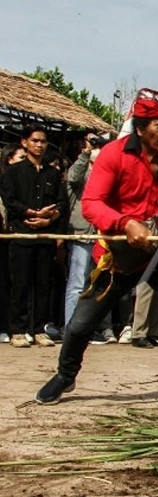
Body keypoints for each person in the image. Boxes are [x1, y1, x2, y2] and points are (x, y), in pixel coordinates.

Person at [34, 88, 158, 424]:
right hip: (119, 253)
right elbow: (92, 203)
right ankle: (66, 374)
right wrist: (124, 222)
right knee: (81, 324)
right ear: (140, 127)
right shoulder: (113, 154)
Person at [0, 125, 67, 348]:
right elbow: (10, 200)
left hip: (45, 235)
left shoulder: (53, 173)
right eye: (35, 140)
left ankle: (39, 329)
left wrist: (47, 219)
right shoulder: (14, 171)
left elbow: (61, 203)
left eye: (43, 141)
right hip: (22, 234)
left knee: (43, 285)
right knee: (20, 284)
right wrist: (32, 213)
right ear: (24, 142)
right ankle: (17, 330)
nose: (39, 145)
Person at [64, 136, 118, 345]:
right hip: (82, 234)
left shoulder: (112, 172)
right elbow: (72, 177)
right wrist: (86, 153)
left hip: (105, 236)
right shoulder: (83, 171)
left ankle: (101, 329)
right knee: (77, 284)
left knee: (103, 285)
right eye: (96, 146)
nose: (99, 150)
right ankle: (71, 328)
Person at [0, 144, 28, 344]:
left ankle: (9, 326)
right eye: (20, 157)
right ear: (9, 158)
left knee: (9, 284)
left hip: (11, 236)